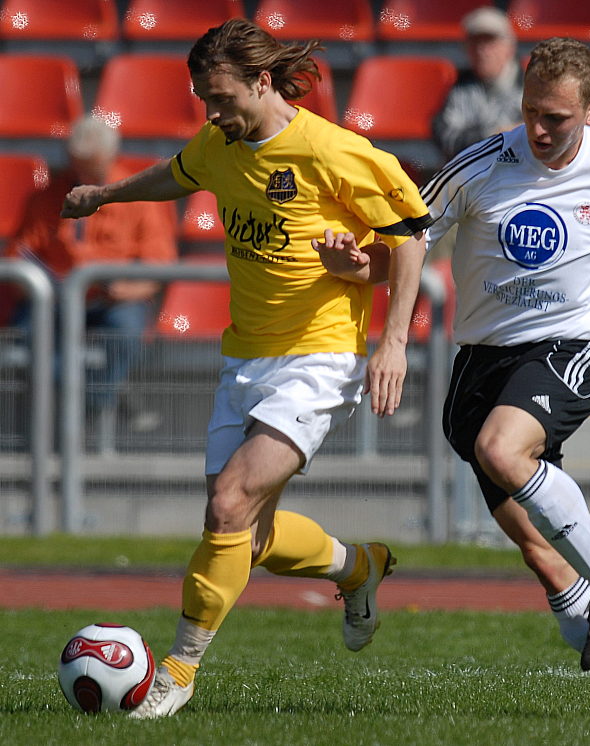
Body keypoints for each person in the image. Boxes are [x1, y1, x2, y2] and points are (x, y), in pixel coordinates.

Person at [341, 36, 590, 717]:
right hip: (481, 366)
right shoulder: (480, 164)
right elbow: (409, 239)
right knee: (543, 556)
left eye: (557, 117)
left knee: (501, 450)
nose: (539, 130)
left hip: (567, 348)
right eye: (530, 113)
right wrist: (357, 268)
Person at [61, 19, 431, 719]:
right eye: (204, 99)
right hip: (244, 356)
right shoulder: (219, 143)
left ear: (262, 82)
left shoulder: (333, 150)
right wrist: (105, 196)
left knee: (229, 503)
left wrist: (393, 343)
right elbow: (176, 174)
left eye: (222, 97)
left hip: (320, 354)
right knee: (245, 536)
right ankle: (359, 567)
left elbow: (410, 237)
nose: (212, 113)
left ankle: (176, 672)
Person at [6, 115, 177, 421]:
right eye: (78, 167)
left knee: (126, 328)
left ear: (111, 157)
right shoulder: (46, 198)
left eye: (92, 168)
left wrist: (125, 290)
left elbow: (158, 264)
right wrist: (42, 287)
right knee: (33, 329)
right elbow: (19, 254)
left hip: (111, 300)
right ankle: (59, 406)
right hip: (55, 299)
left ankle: (93, 406)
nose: (84, 176)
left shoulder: (140, 198)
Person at [432, 6, 522, 162]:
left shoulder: (531, 87)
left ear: (510, 47)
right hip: (469, 170)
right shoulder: (459, 88)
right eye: (475, 43)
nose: (482, 50)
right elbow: (446, 138)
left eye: (490, 42)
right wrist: (494, 135)